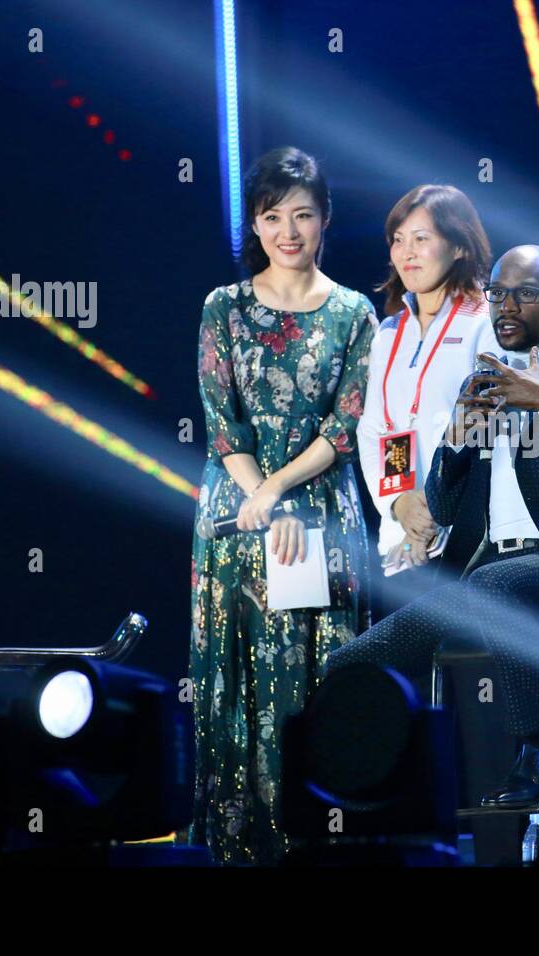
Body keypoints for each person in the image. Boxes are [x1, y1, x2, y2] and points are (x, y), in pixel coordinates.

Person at [328, 244, 539, 809]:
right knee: (350, 662)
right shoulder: (483, 381)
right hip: (490, 565)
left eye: (526, 294)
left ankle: (535, 754)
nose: (507, 307)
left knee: (494, 588)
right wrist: (453, 440)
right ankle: (385, 798)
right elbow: (444, 510)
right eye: (498, 293)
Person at [188, 147, 376, 863]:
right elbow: (223, 423)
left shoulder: (355, 312)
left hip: (320, 507)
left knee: (318, 674)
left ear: (325, 219)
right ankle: (242, 842)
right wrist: (258, 493)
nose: (288, 231)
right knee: (240, 674)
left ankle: (321, 836)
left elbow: (346, 424)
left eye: (302, 214)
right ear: (256, 225)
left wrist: (279, 489)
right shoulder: (223, 307)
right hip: (238, 515)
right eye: (273, 217)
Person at [356, 185, 496, 618]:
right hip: (403, 537)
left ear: (457, 246)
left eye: (421, 239)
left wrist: (435, 504)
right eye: (398, 240)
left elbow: (485, 429)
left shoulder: (486, 321)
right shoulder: (388, 332)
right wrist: (400, 500)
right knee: (405, 678)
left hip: (469, 536)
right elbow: (381, 427)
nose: (407, 253)